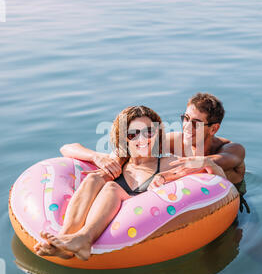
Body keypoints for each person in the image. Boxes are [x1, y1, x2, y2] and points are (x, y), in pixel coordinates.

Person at [34, 106, 225, 261]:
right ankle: (64, 240)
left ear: (157, 134)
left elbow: (217, 180)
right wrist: (97, 157)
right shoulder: (116, 161)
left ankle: (83, 239)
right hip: (100, 221)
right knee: (93, 178)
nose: (142, 140)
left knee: (111, 187)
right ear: (124, 138)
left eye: (149, 132)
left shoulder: (167, 162)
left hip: (141, 229)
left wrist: (207, 162)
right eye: (134, 134)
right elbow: (66, 148)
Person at [156, 92, 249, 213]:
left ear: (213, 129)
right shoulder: (176, 141)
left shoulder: (232, 149)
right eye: (186, 118)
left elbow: (208, 163)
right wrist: (121, 161)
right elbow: (136, 147)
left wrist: (167, 174)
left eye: (195, 123)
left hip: (233, 206)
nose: (187, 126)